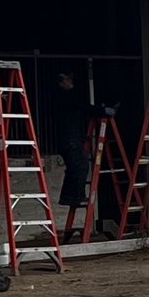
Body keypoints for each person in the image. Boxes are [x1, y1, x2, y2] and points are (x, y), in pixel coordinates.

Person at [56, 72, 116, 208]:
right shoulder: (68, 96)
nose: (71, 81)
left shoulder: (65, 98)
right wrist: (103, 110)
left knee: (73, 167)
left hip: (68, 138)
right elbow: (85, 107)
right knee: (80, 166)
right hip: (70, 138)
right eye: (67, 79)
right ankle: (76, 197)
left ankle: (68, 196)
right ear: (61, 83)